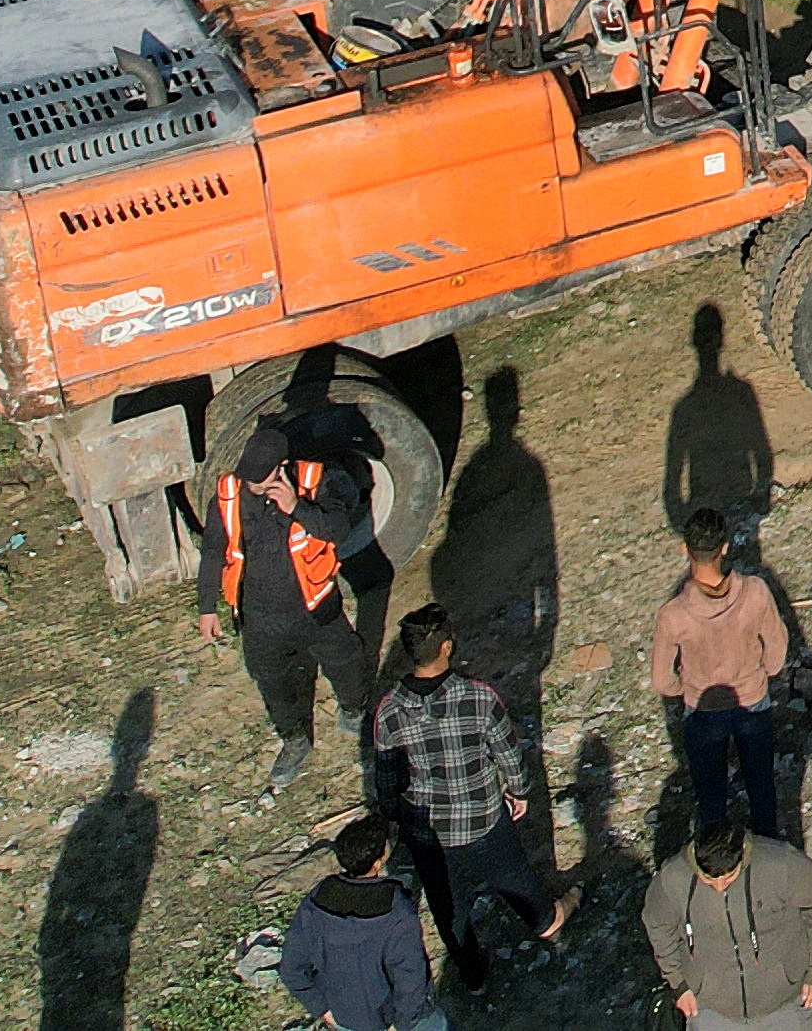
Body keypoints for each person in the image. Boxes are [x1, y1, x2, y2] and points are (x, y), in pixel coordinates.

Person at [201, 419, 393, 794]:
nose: (252, 487)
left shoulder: (320, 481)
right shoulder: (230, 493)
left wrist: (295, 508)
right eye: (249, 479)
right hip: (259, 621)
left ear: (281, 469)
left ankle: (354, 713)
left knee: (348, 662)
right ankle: (294, 740)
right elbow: (213, 550)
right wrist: (206, 606)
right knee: (272, 683)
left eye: (261, 480)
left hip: (316, 611)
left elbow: (337, 529)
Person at [368, 604, 558, 981]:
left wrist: (394, 816)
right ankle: (547, 920)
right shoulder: (479, 697)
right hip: (484, 819)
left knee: (447, 909)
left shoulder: (389, 711)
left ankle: (472, 974)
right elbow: (507, 752)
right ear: (447, 647)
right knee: (518, 882)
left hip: (429, 834)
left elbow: (387, 782)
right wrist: (519, 791)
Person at [648, 509, 791, 844]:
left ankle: (718, 860)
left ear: (685, 549)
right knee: (761, 787)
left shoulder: (673, 615)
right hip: (752, 700)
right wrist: (761, 674)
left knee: (711, 798)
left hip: (702, 710)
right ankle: (767, 850)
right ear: (725, 547)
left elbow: (660, 679)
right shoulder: (755, 592)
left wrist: (686, 689)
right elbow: (777, 650)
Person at [649, 812, 812, 1031]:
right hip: (711, 1009)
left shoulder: (783, 864)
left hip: (786, 1002)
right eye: (709, 880)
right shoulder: (671, 879)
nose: (720, 888)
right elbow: (659, 930)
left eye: (729, 878)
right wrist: (678, 984)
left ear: (743, 854)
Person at [280, 813, 447, 1031]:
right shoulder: (398, 915)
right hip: (396, 1019)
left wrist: (322, 1009)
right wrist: (402, 1024)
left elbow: (290, 967)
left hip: (346, 1017)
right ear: (378, 862)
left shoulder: (317, 900)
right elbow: (410, 980)